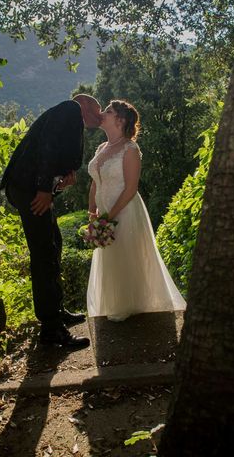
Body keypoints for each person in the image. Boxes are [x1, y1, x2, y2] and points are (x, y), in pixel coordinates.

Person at [0, 94, 102, 349]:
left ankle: (56, 312)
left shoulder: (69, 118)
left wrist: (60, 181)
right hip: (29, 188)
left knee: (54, 243)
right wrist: (44, 189)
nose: (100, 115)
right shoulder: (71, 108)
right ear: (86, 104)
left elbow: (53, 154)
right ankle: (51, 330)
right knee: (44, 253)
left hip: (32, 187)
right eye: (98, 109)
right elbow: (46, 147)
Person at [86, 100, 186, 321]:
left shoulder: (130, 149)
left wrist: (108, 218)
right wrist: (92, 210)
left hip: (124, 212)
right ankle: (115, 304)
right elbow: (95, 182)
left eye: (108, 111)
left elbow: (131, 188)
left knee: (127, 258)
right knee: (111, 260)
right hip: (103, 214)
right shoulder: (101, 148)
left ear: (120, 120)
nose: (102, 113)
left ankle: (136, 306)